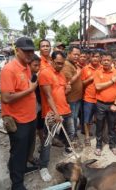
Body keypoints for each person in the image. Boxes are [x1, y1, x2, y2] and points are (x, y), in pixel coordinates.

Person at [0, 37, 37, 190]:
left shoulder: (27, 67)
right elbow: (6, 98)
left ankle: (20, 169)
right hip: (18, 119)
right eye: (26, 51)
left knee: (26, 148)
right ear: (17, 50)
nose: (30, 54)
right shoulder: (9, 69)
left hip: (30, 117)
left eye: (31, 51)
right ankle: (17, 183)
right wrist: (30, 89)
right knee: (18, 151)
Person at [38, 50, 74, 181]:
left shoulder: (62, 74)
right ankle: (43, 167)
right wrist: (56, 113)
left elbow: (62, 94)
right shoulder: (45, 73)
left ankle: (67, 151)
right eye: (58, 63)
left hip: (65, 109)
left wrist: (67, 91)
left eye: (62, 64)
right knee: (48, 141)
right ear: (52, 61)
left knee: (71, 132)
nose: (60, 66)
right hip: (52, 113)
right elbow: (48, 96)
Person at [93, 52, 116, 156]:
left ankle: (113, 145)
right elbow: (97, 87)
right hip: (100, 104)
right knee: (99, 126)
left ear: (112, 62)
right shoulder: (97, 72)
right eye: (104, 60)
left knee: (112, 126)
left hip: (112, 105)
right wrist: (111, 81)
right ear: (101, 61)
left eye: (108, 60)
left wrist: (115, 104)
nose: (106, 62)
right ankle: (98, 146)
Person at [61, 46, 83, 140]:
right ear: (69, 54)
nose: (76, 56)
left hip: (76, 98)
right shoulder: (66, 65)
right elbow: (68, 81)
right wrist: (78, 73)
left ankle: (72, 135)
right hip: (71, 98)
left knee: (74, 117)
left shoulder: (73, 64)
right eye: (75, 54)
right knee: (71, 118)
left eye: (78, 54)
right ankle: (70, 137)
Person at [81, 50, 102, 146]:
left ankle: (100, 136)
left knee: (100, 119)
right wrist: (89, 79)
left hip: (100, 99)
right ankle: (87, 137)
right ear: (90, 57)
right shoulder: (85, 69)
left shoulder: (103, 68)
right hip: (88, 99)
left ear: (100, 58)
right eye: (93, 56)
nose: (95, 58)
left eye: (97, 56)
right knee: (87, 119)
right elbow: (81, 83)